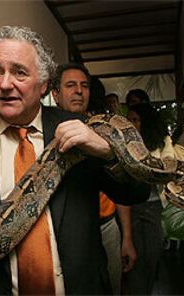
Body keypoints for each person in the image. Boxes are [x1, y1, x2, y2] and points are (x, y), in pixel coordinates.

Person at [0, 26, 150, 295]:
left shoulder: (82, 129)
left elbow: (136, 192)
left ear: (44, 84)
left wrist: (106, 152)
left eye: (19, 72)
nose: (4, 83)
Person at [51, 63, 137, 294]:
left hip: (107, 225)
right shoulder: (45, 133)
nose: (79, 91)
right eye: (71, 85)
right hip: (66, 232)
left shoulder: (107, 129)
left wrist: (126, 236)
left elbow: (123, 188)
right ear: (55, 94)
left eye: (84, 86)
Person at [123, 103, 173, 295]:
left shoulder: (162, 141)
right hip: (130, 206)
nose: (131, 125)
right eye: (129, 120)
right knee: (131, 258)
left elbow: (166, 169)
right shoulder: (123, 142)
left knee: (152, 256)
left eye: (135, 120)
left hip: (154, 207)